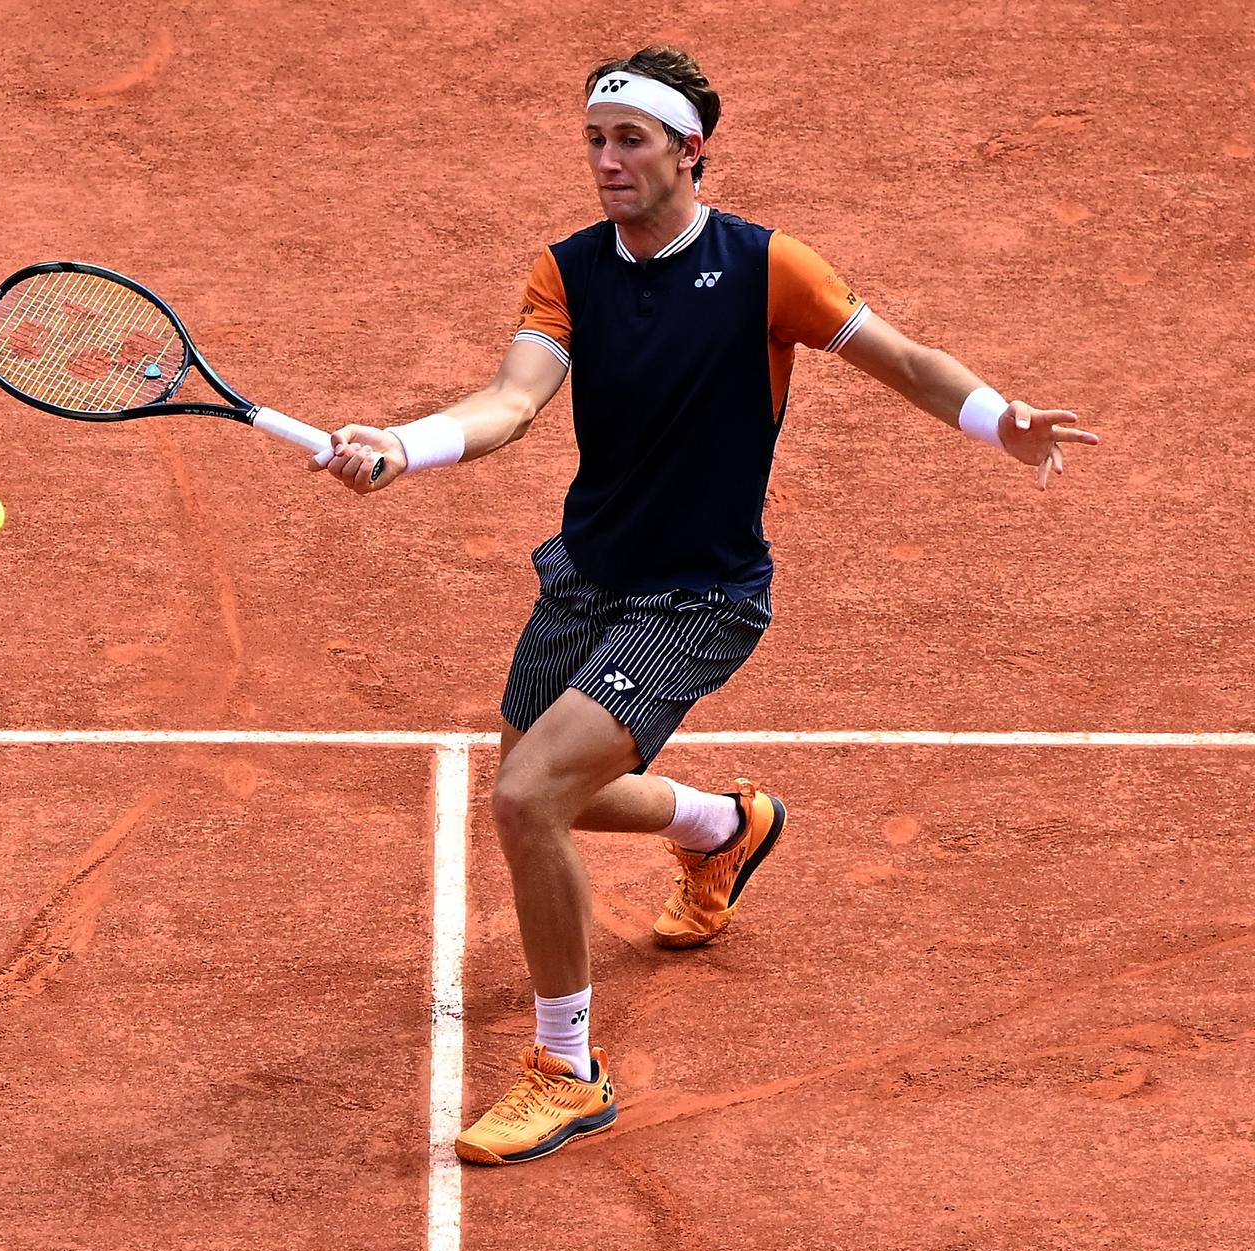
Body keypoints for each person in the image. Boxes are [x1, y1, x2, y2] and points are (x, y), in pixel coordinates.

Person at [314, 45, 1099, 1166]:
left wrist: (995, 419)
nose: (604, 159)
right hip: (586, 577)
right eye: (592, 138)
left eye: (628, 137)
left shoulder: (765, 267)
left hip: (698, 595)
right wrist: (402, 443)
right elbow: (508, 401)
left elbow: (906, 360)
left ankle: (564, 1070)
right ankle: (723, 826)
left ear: (691, 150)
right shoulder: (567, 271)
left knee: (529, 797)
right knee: (552, 793)